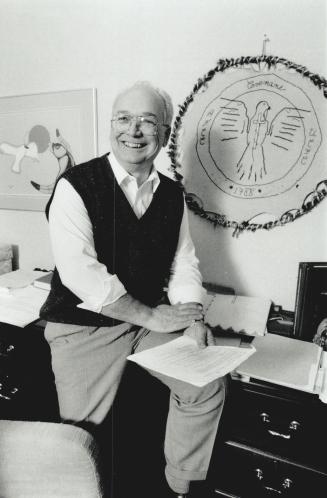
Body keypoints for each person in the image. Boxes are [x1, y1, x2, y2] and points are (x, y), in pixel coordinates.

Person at [40, 81, 226, 498]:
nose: (133, 131)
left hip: (143, 321)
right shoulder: (75, 185)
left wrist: (193, 318)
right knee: (80, 436)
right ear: (111, 124)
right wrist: (153, 316)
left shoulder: (172, 194)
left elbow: (183, 262)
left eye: (147, 121)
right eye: (123, 118)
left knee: (205, 382)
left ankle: (180, 486)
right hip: (84, 325)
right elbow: (80, 275)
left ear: (163, 131)